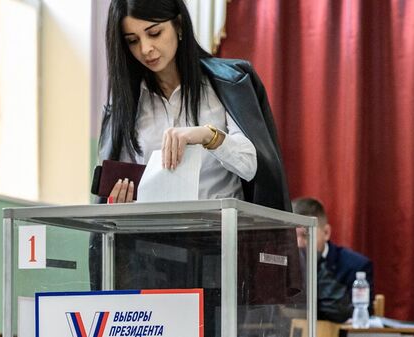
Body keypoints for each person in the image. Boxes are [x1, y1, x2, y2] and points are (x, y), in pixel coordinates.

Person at [90, 0, 302, 335]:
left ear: (179, 25)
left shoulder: (226, 84)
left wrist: (208, 135)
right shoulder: (125, 105)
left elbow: (256, 166)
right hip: (151, 254)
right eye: (132, 40)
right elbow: (113, 188)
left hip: (220, 250)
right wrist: (119, 202)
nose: (146, 49)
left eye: (154, 32)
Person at [292, 197, 374, 323]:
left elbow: (357, 315)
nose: (299, 244)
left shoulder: (356, 266)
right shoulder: (284, 264)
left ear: (326, 233)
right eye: (292, 235)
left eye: (305, 235)